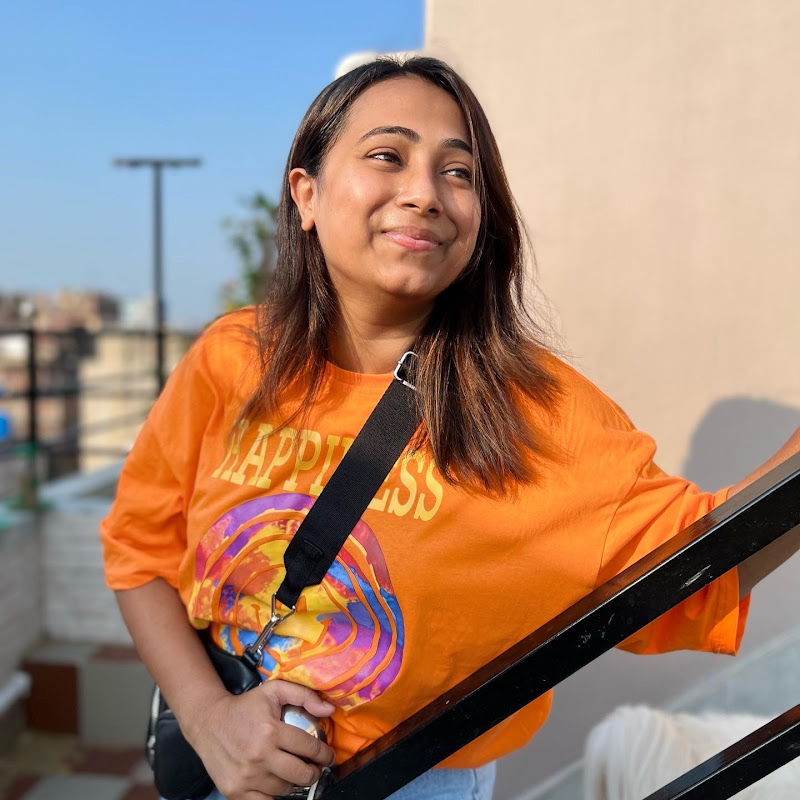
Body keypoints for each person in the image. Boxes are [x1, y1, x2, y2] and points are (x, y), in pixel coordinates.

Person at [100, 56, 800, 800]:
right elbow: (139, 549)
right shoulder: (230, 360)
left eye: (458, 172)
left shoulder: (534, 413)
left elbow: (703, 563)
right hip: (217, 761)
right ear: (307, 194)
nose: (424, 193)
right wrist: (208, 717)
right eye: (386, 156)